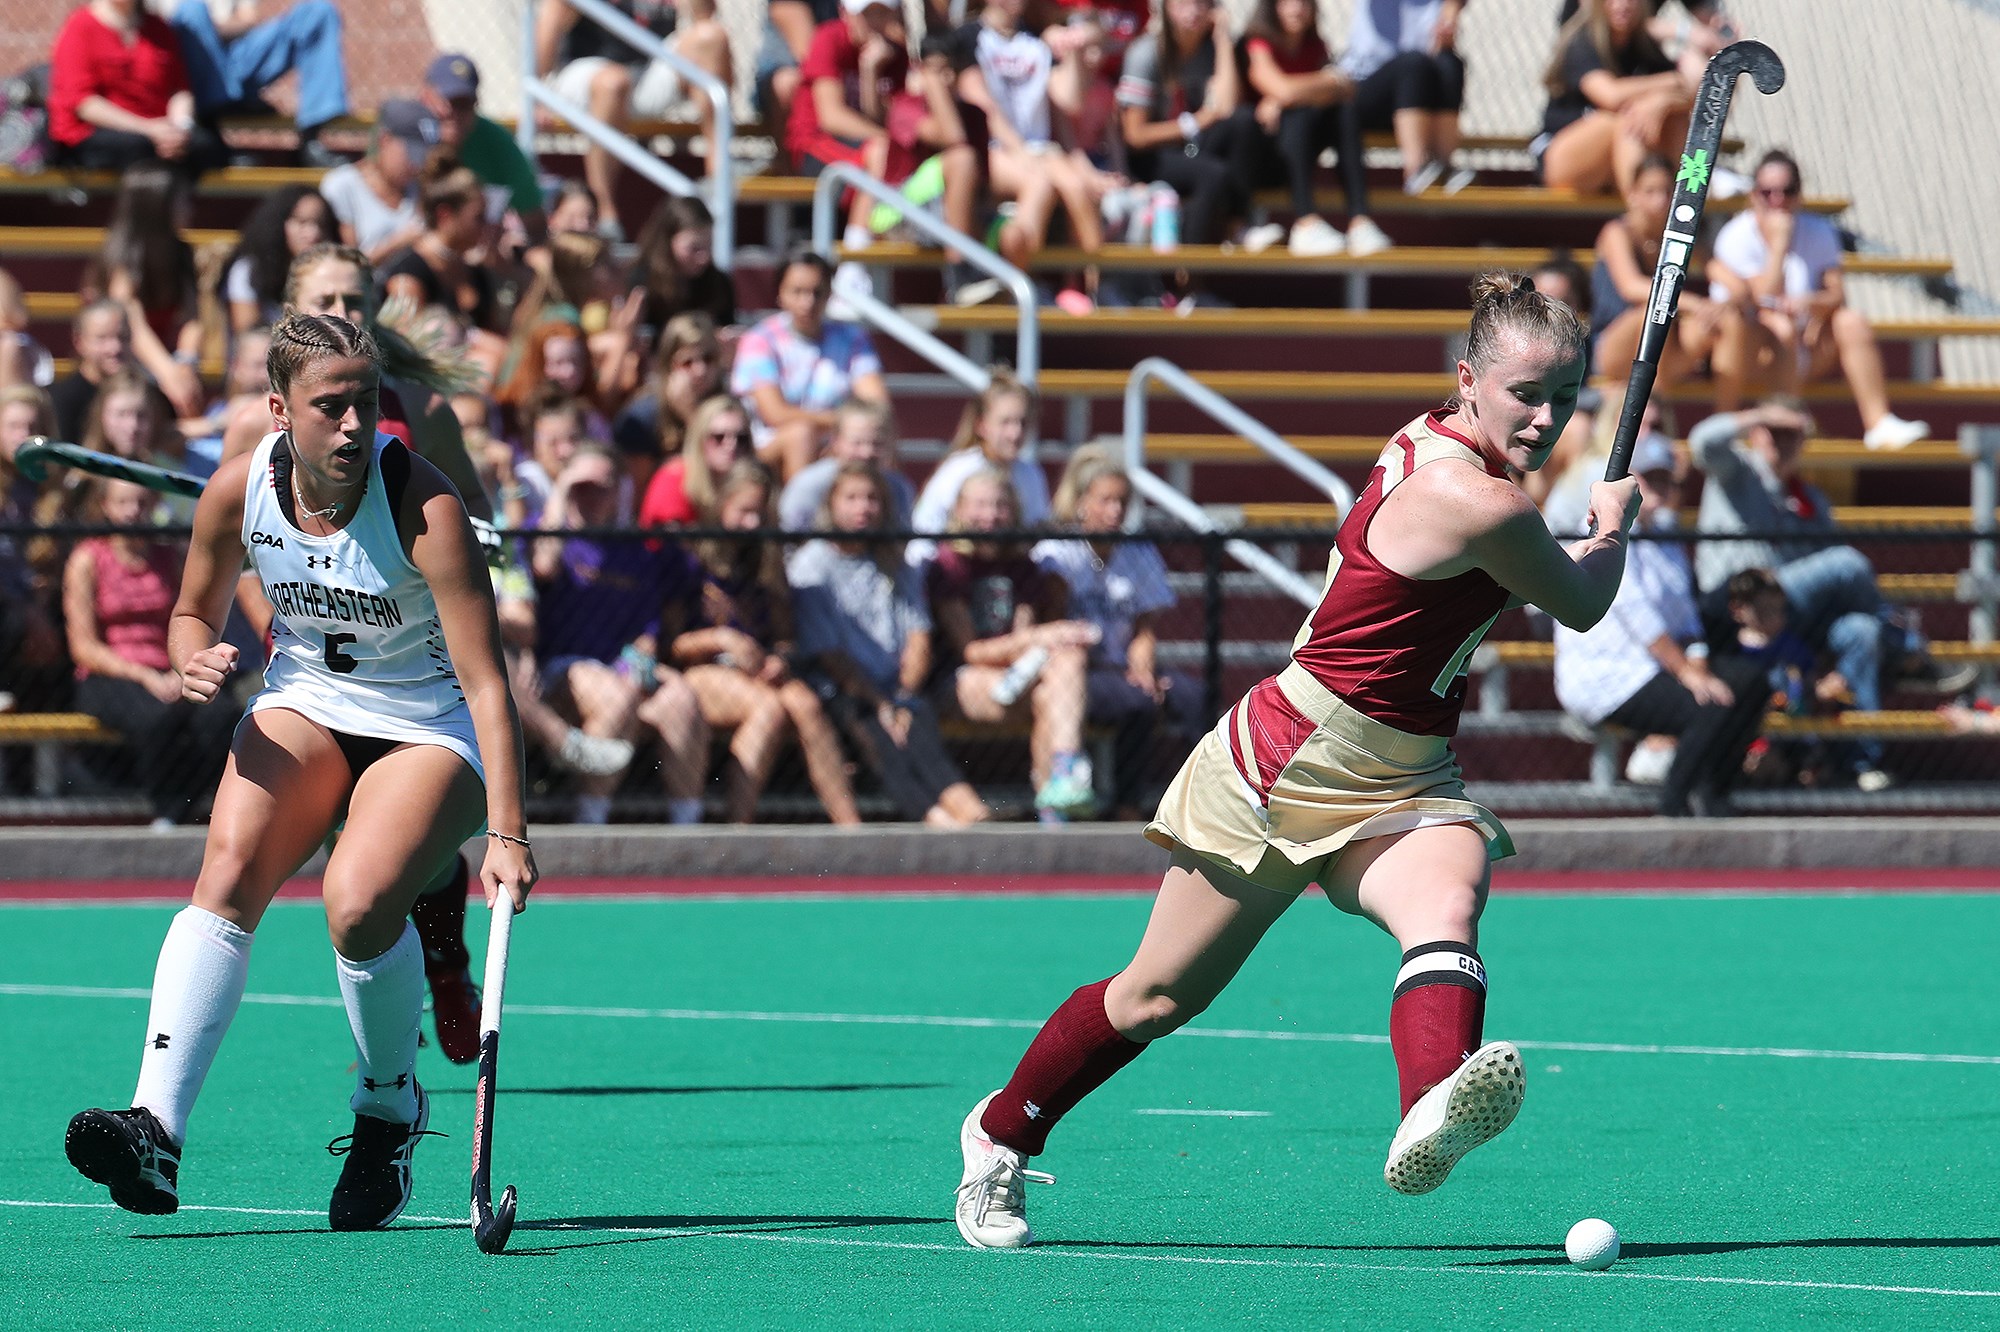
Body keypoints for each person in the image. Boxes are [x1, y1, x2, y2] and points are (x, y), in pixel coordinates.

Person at [953, 273, 1641, 1248]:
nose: (1543, 418)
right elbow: (1579, 600)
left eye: (1563, 397)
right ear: (1467, 382)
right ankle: (996, 1136)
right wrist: (1612, 522)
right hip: (1288, 761)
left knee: (1448, 896)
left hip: (1403, 773)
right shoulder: (1465, 495)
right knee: (1151, 998)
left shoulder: (1438, 442)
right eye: (1524, 393)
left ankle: (1427, 1105)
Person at [63, 313, 538, 1226]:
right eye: (332, 408)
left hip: (429, 726)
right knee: (227, 875)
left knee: (356, 904)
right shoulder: (237, 489)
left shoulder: (422, 506)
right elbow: (190, 614)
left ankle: (388, 1111)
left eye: (366, 402)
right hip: (308, 702)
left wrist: (508, 836)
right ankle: (156, 1129)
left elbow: (487, 684)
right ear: (281, 411)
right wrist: (190, 654)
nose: (356, 424)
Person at [1689, 399, 1962, 790]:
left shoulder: (1808, 499)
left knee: (1861, 631)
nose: (1783, 444)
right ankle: (1908, 648)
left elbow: (1832, 587)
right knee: (1847, 562)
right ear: (1757, 434)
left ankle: (1856, 762)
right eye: (1775, 433)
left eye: (1792, 435)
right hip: (1740, 601)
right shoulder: (1737, 473)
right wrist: (1761, 414)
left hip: (1790, 612)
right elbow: (1703, 441)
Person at [1553, 432, 1766, 816]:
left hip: (1653, 668)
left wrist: (1698, 663)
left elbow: (1685, 613)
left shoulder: (1665, 532)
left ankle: (1714, 791)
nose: (1660, 487)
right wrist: (1690, 674)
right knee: (1710, 706)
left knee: (1752, 682)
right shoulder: (1610, 531)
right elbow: (1639, 617)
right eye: (1650, 479)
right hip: (1606, 678)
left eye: (1666, 479)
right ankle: (1675, 803)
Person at [791, 461, 992, 826]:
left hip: (895, 686)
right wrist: (881, 704)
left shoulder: (896, 563)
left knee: (917, 724)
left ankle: (967, 810)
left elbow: (918, 637)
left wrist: (899, 696)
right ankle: (940, 821)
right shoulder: (811, 565)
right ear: (831, 505)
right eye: (851, 498)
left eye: (871, 499)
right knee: (879, 736)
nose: (862, 507)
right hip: (843, 690)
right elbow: (832, 657)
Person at [669, 458, 863, 824]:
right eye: (744, 512)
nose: (753, 524)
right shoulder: (693, 561)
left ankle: (850, 824)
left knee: (805, 704)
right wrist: (722, 639)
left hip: (757, 670)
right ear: (721, 506)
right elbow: (674, 646)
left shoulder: (765, 563)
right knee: (769, 709)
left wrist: (781, 659)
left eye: (760, 514)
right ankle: (738, 825)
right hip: (702, 672)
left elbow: (784, 637)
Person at [532, 443, 711, 825]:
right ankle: (590, 821)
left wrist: (641, 658)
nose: (594, 495)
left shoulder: (634, 549)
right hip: (559, 668)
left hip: (618, 667)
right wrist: (562, 490)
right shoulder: (545, 528)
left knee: (681, 697)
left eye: (605, 486)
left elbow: (648, 629)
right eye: (584, 485)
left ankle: (688, 825)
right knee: (614, 697)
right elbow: (543, 566)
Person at [1705, 149, 1928, 451]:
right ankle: (1782, 424)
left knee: (1852, 321)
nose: (1777, 200)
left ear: (1799, 194)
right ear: (1754, 195)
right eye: (1767, 192)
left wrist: (1812, 304)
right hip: (1755, 351)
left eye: (1787, 191)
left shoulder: (1819, 231)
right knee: (1780, 327)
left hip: (1806, 343)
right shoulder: (1735, 236)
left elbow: (1837, 294)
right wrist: (1780, 244)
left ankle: (1878, 422)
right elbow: (1760, 299)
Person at [1031, 442, 1201, 818]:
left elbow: (1144, 626)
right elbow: (1053, 617)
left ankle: (1206, 800)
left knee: (1193, 697)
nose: (1116, 511)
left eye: (1122, 501)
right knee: (1137, 702)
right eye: (1106, 500)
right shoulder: (1058, 551)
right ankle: (1127, 804)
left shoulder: (1137, 551)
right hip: (1079, 670)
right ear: (1082, 502)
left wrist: (1141, 668)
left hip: (1122, 664)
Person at [64, 476, 242, 827]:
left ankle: (201, 805)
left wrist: (184, 668)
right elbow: (83, 647)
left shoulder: (171, 556)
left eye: (142, 503)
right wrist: (145, 676)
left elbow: (192, 618)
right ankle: (168, 812)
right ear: (106, 507)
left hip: (171, 670)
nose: (134, 512)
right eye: (124, 503)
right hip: (110, 675)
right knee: (157, 718)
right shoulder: (87, 559)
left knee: (221, 716)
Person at [929, 467, 1099, 821]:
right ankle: (1057, 801)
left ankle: (1062, 783)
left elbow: (1019, 641)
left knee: (1062, 670)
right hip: (961, 680)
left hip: (1018, 675)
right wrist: (1041, 636)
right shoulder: (948, 565)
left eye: (1000, 506)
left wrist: (1047, 640)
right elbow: (971, 651)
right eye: (980, 505)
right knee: (1055, 688)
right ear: (959, 510)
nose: (990, 515)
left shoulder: (1022, 566)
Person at [786, 0, 980, 266]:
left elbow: (892, 115)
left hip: (868, 151)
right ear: (847, 14)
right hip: (817, 145)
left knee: (896, 154)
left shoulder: (893, 52)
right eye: (868, 14)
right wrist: (886, 139)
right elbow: (831, 117)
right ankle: (855, 262)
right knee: (880, 150)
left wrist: (871, 72)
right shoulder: (829, 38)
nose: (875, 22)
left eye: (882, 13)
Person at [949, 0, 1108, 305]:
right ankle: (1014, 278)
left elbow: (1068, 102)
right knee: (1040, 184)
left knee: (1079, 188)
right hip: (993, 148)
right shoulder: (969, 36)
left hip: (1037, 151)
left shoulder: (1036, 39)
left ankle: (1082, 287)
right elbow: (983, 104)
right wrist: (1021, 151)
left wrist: (1073, 52)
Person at [533, 0, 734, 237]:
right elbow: (550, 24)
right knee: (614, 82)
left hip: (647, 68)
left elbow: (705, 14)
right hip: (586, 73)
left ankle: (717, 184)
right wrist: (537, 97)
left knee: (712, 37)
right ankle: (605, 215)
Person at [1241, 0, 1388, 258]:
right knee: (1298, 114)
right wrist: (1323, 83)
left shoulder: (1315, 47)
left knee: (1343, 113)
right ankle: (1305, 222)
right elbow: (1284, 89)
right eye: (1288, 3)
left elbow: (1346, 89)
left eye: (1304, 4)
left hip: (1301, 150)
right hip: (1262, 160)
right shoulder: (1256, 43)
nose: (1297, 9)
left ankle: (1360, 221)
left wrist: (1290, 95)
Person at [729, 248, 890, 479]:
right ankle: (797, 514)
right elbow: (775, 414)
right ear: (779, 294)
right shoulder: (759, 340)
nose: (808, 302)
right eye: (798, 292)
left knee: (876, 437)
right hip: (768, 448)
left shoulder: (853, 338)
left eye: (817, 292)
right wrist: (844, 424)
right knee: (801, 436)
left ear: (829, 294)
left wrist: (845, 437)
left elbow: (878, 405)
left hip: (838, 443)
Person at [1115, 0, 1257, 249]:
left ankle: (1237, 227)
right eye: (1183, 3)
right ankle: (1188, 275)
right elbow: (1135, 136)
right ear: (1166, 9)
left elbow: (1228, 108)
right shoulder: (1146, 53)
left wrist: (1223, 40)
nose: (1193, 12)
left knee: (1242, 122)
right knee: (1212, 173)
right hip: (1150, 156)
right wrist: (1193, 123)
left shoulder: (1211, 51)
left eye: (1202, 4)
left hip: (1192, 146)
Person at [150, 0, 349, 168]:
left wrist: (210, 31)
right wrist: (203, 31)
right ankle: (214, 135)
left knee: (319, 11)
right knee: (192, 11)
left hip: (236, 58)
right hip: (184, 64)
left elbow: (248, 18)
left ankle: (311, 139)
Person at [1590, 154, 1727, 388]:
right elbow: (1630, 286)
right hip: (1612, 341)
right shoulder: (1617, 232)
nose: (1660, 201)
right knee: (1652, 314)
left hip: (1665, 344)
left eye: (1666, 192)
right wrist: (1694, 303)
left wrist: (1731, 301)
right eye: (1650, 191)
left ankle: (1728, 413)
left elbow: (1721, 273)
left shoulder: (1679, 236)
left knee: (1719, 322)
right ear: (1632, 195)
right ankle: (1655, 400)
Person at [47, 0, 228, 175]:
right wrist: (148, 129)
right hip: (97, 134)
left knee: (206, 147)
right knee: (140, 150)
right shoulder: (80, 27)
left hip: (159, 131)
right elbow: (83, 104)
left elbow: (179, 90)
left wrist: (181, 129)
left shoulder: (159, 29)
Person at [1536, 0, 1690, 195]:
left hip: (1615, 161)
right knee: (1625, 118)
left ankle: (1686, 197)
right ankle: (1639, 210)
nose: (1622, 5)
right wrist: (1669, 81)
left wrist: (1662, 102)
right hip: (1560, 156)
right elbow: (1611, 96)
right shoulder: (1582, 42)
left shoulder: (1645, 47)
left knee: (1676, 117)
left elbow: (1692, 93)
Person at [91, 162, 205, 419]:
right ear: (157, 206)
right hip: (122, 362)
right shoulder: (124, 256)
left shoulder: (181, 251)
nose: (189, 207)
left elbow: (192, 317)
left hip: (163, 362)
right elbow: (131, 324)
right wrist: (169, 373)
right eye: (181, 200)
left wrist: (186, 363)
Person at [420, 53, 550, 247]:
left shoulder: (499, 145)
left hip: (476, 259)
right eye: (447, 102)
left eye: (464, 104)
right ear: (425, 97)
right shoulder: (404, 131)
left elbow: (536, 226)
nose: (453, 113)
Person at [911, 370, 1049, 535]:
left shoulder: (1031, 474)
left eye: (1023, 422)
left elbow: (1039, 532)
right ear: (981, 425)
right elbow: (924, 530)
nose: (1016, 433)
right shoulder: (958, 470)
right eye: (1006, 422)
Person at [318, 100, 435, 266]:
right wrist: (399, 243)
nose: (417, 165)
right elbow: (348, 266)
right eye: (411, 155)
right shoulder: (341, 186)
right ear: (384, 140)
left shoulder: (423, 188)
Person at [218, 185, 337, 335]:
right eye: (302, 222)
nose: (314, 233)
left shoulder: (332, 273)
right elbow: (246, 332)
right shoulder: (248, 269)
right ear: (279, 223)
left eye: (322, 224)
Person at [780, 397, 913, 531]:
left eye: (877, 443)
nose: (866, 453)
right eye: (857, 443)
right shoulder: (810, 486)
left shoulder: (898, 489)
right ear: (836, 442)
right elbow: (792, 543)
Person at [639, 393, 754, 528]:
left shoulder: (751, 487)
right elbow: (674, 546)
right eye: (719, 437)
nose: (731, 445)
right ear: (700, 439)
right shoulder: (674, 479)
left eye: (741, 439)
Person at [631, 196, 738, 340]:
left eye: (709, 246)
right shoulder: (643, 281)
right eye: (694, 248)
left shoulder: (719, 284)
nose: (704, 258)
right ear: (667, 242)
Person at [50, 299, 135, 446]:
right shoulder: (60, 400)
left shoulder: (145, 395)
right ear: (79, 342)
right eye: (102, 338)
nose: (115, 348)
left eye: (123, 337)